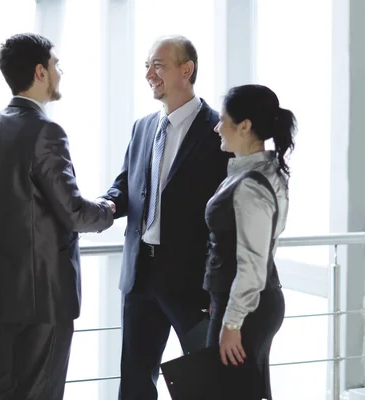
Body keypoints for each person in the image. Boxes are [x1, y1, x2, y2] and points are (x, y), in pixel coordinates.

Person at [0, 33, 115, 400]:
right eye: (56, 66)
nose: (60, 74)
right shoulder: (45, 131)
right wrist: (110, 209)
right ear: (40, 72)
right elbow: (74, 212)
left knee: (4, 387)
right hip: (43, 295)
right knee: (40, 391)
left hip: (5, 289)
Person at [101, 36, 230, 400]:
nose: (148, 74)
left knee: (206, 383)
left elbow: (229, 215)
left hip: (194, 284)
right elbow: (126, 186)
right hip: (141, 278)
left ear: (186, 70)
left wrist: (217, 282)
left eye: (158, 65)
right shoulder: (143, 127)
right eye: (146, 65)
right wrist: (106, 206)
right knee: (135, 383)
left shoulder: (218, 129)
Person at [203, 84, 296, 399]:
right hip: (254, 304)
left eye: (223, 120)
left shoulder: (250, 187)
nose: (217, 127)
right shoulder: (265, 172)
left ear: (244, 126)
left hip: (248, 311)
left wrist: (232, 324)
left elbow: (253, 264)